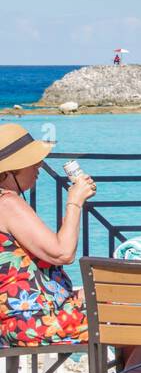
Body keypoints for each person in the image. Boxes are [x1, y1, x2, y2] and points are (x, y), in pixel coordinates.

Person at [0, 124, 96, 348]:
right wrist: (75, 202)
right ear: (8, 172)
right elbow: (62, 253)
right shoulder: (7, 203)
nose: (39, 167)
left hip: (15, 316)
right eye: (31, 162)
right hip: (34, 320)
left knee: (119, 304)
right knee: (138, 320)